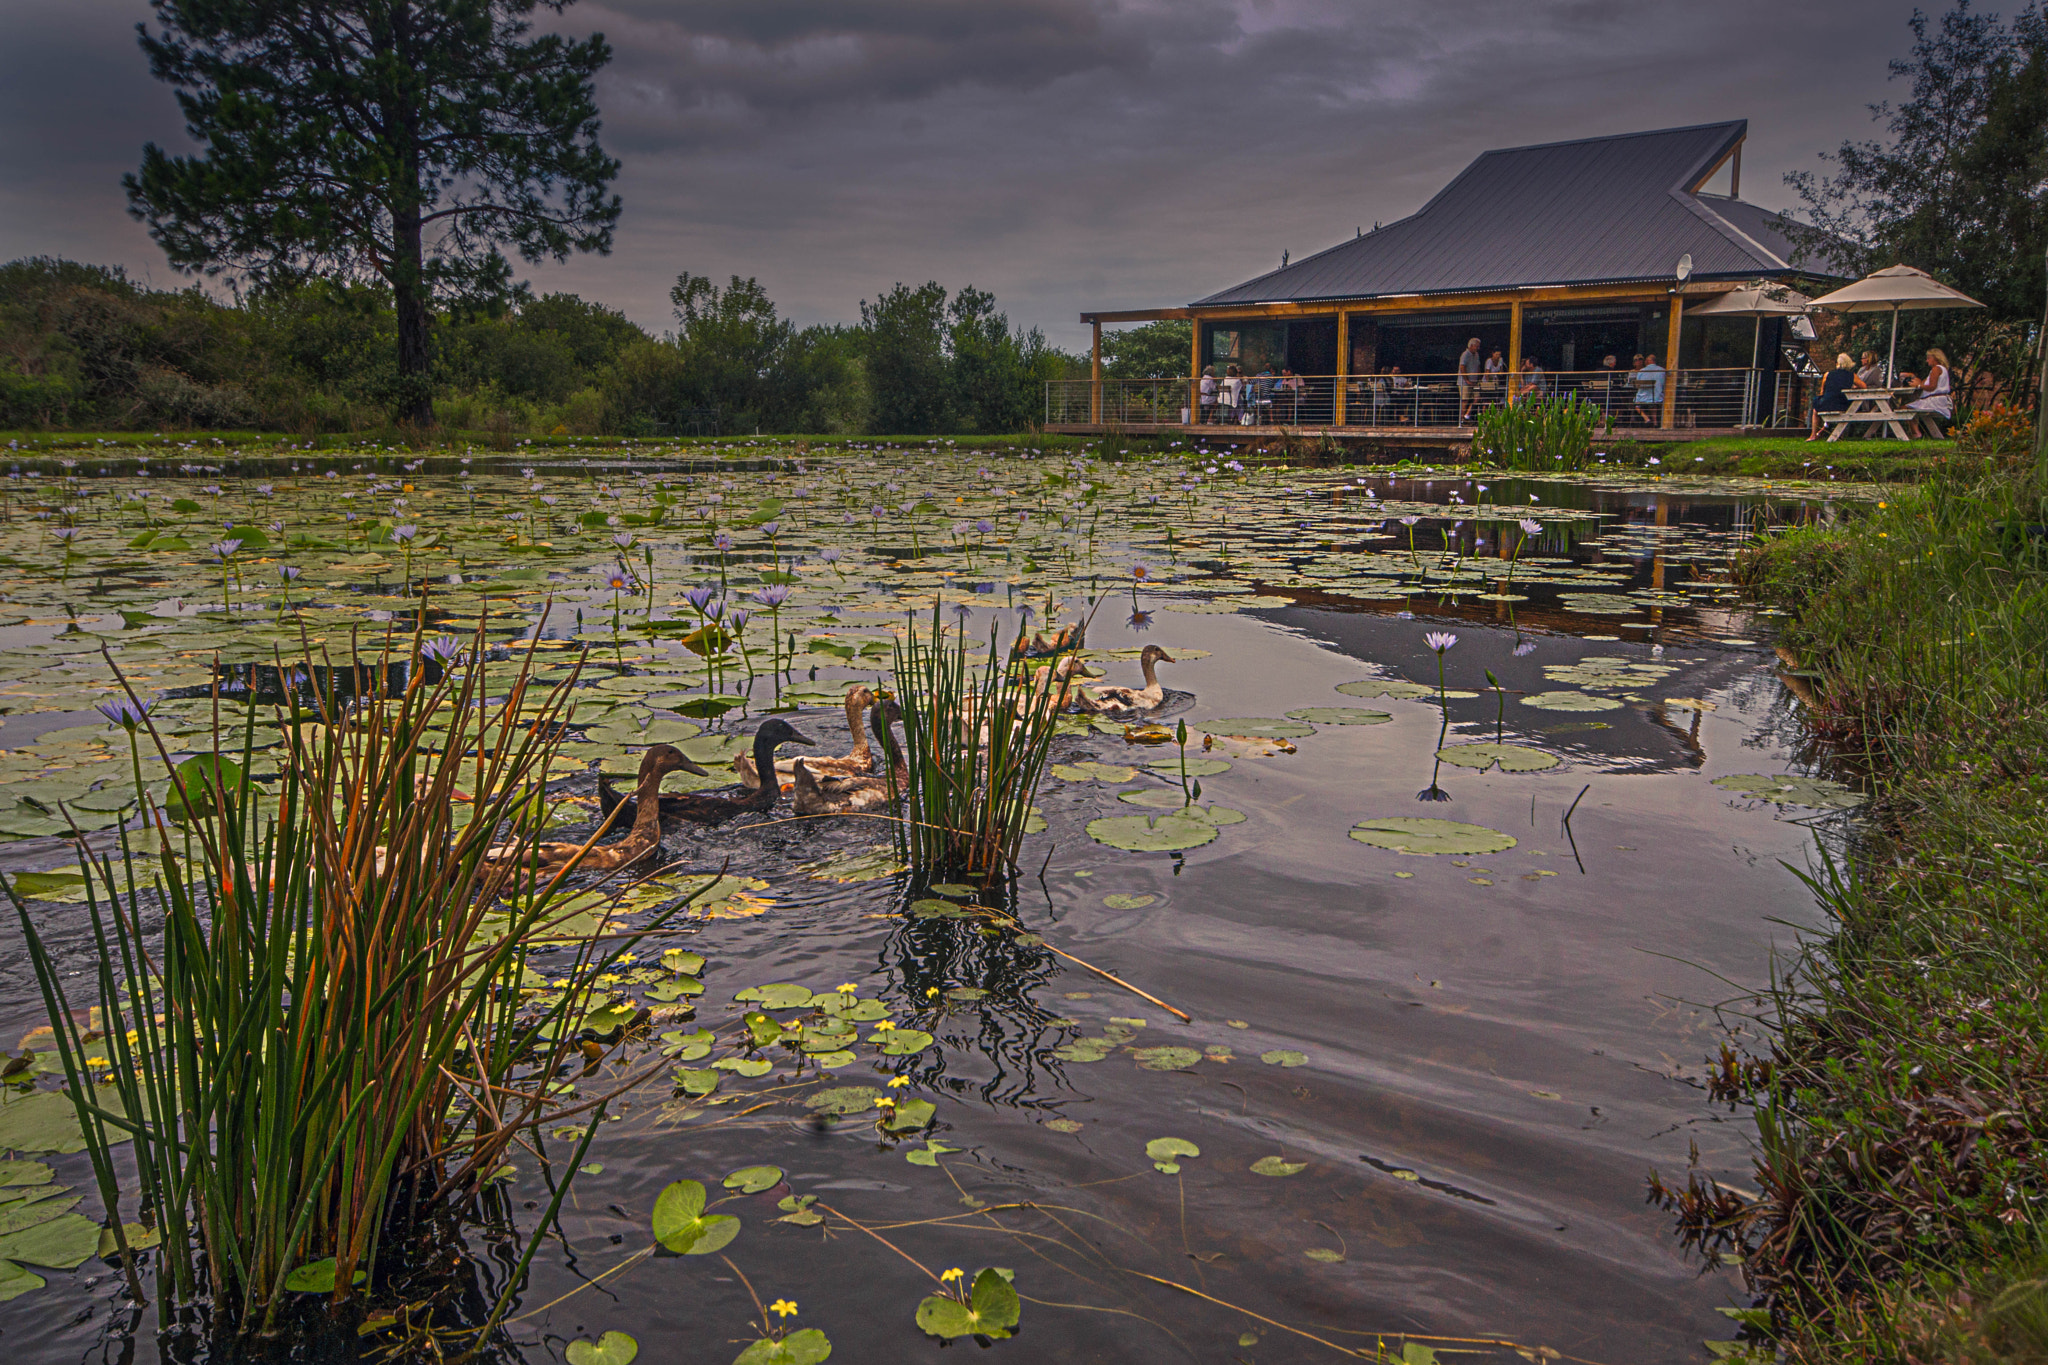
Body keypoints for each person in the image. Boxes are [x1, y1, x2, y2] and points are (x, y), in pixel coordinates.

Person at [1806, 351, 1857, 441]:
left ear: (1838, 363)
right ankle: (1836, 433)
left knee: (1815, 410)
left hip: (1827, 403)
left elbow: (1822, 391)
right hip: (1843, 404)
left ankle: (1813, 435)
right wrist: (1854, 387)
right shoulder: (1852, 376)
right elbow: (1864, 386)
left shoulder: (1828, 374)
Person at [1904, 347, 1952, 437]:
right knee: (1909, 407)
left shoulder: (1936, 369)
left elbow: (1932, 387)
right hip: (1939, 400)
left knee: (1904, 408)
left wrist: (1918, 386)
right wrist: (1914, 378)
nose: (1927, 360)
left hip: (1934, 401)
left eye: (1928, 358)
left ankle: (1915, 433)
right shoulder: (1940, 369)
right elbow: (1923, 383)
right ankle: (1918, 433)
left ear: (1935, 358)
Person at [1633, 352, 1666, 425]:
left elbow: (1638, 384)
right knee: (1653, 404)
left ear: (1647, 361)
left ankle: (1646, 418)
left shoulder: (1641, 371)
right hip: (1657, 397)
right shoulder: (1662, 370)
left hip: (1643, 397)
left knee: (1636, 405)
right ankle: (1655, 422)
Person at [1456, 337, 1483, 422]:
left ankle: (1467, 415)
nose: (1478, 348)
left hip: (1474, 381)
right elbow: (1462, 366)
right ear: (1471, 346)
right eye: (1477, 346)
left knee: (1477, 398)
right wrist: (1466, 379)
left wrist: (1479, 378)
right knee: (1465, 400)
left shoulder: (1476, 355)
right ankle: (1461, 420)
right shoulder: (1465, 354)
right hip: (1465, 382)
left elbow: (1478, 366)